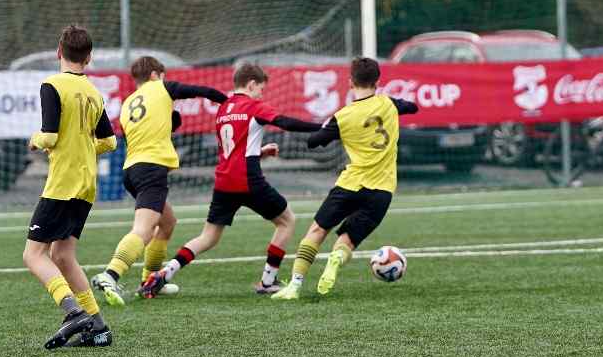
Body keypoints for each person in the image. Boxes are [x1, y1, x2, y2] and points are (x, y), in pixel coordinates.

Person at [137, 62, 324, 299]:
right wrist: (323, 127)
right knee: (287, 221)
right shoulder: (253, 106)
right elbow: (285, 122)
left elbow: (233, 148)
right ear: (252, 84)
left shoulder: (223, 109)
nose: (261, 94)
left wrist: (260, 152)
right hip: (248, 179)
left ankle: (165, 273)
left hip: (224, 181)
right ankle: (268, 281)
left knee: (208, 237)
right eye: (261, 90)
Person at [272, 57, 418, 300]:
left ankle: (294, 286)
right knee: (347, 240)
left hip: (350, 185)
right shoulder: (389, 104)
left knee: (318, 230)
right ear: (377, 82)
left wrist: (329, 127)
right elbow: (413, 107)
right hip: (382, 191)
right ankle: (337, 258)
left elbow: (314, 142)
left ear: (350, 82)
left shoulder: (343, 117)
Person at [91, 56, 228, 306]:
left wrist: (169, 122)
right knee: (143, 230)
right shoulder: (162, 86)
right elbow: (201, 91)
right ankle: (110, 274)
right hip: (151, 170)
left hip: (132, 170)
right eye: (162, 75)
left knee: (167, 223)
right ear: (155, 74)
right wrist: (230, 102)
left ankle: (150, 281)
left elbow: (150, 130)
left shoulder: (128, 103)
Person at [22, 24, 118, 349]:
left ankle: (73, 311)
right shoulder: (94, 91)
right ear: (88, 57)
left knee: (33, 255)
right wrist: (83, 147)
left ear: (58, 51)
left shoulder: (52, 84)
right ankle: (98, 326)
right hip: (86, 185)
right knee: (63, 255)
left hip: (62, 183)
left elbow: (48, 136)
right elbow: (109, 142)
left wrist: (35, 142)